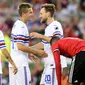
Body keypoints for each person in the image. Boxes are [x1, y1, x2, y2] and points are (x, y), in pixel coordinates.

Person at [10, 3, 47, 85]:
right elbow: (19, 46)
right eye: (30, 12)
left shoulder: (17, 24)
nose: (32, 14)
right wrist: (36, 52)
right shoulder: (22, 26)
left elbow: (19, 46)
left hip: (15, 62)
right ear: (23, 14)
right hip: (20, 64)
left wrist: (29, 53)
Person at [30, 4, 67, 85]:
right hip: (48, 64)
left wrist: (39, 35)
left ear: (48, 14)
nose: (39, 16)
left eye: (41, 14)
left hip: (54, 65)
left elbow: (57, 42)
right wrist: (29, 49)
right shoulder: (48, 28)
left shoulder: (56, 25)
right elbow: (44, 44)